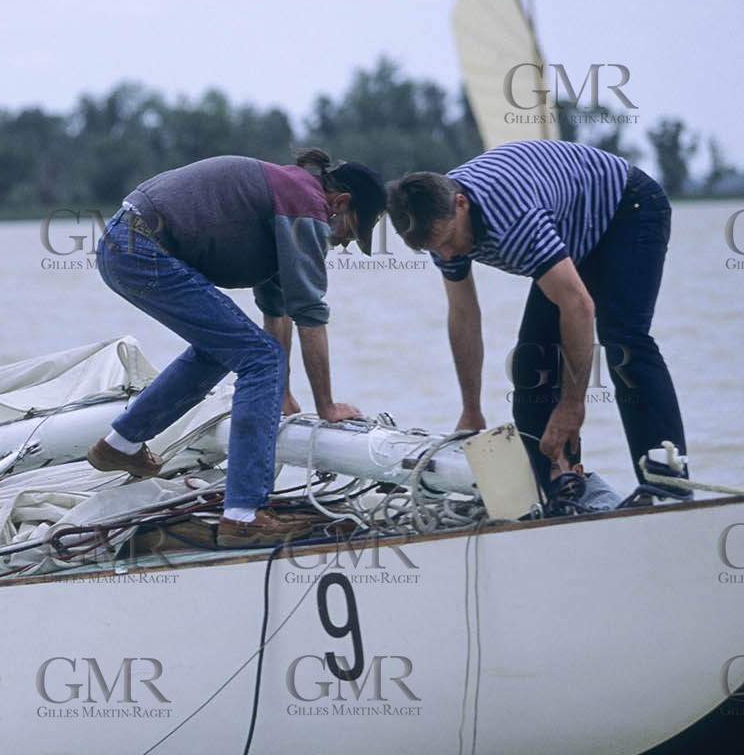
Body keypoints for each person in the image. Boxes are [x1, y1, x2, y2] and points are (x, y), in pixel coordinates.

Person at [85, 149, 384, 546]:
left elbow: (278, 312)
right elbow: (311, 318)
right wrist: (327, 406)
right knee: (259, 358)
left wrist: (284, 396)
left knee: (229, 349)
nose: (345, 243)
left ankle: (120, 445)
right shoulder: (304, 205)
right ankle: (244, 514)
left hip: (125, 243)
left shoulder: (286, 200)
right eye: (352, 231)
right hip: (139, 247)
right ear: (340, 202)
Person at [385, 139, 687, 493]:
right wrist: (471, 410)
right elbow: (464, 315)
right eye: (433, 249)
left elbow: (579, 307)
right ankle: (562, 485)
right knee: (532, 365)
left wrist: (573, 405)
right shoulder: (437, 229)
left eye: (448, 240)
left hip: (629, 208)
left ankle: (667, 482)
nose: (447, 254)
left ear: (461, 203)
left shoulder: (513, 221)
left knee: (623, 339)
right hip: (573, 228)